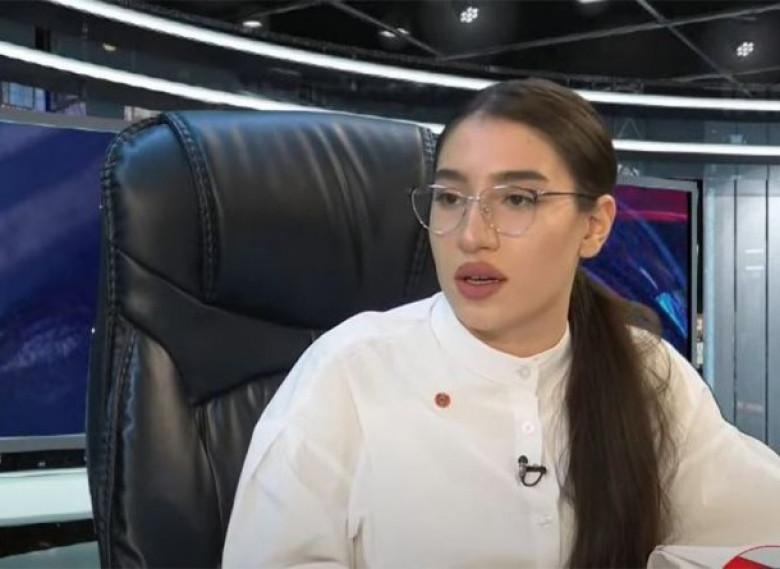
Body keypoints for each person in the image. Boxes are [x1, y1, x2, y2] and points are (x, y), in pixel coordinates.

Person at [222, 79, 780, 568]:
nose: (471, 235)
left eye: (517, 199)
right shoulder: (346, 372)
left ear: (594, 226)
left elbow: (759, 533)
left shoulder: (646, 369)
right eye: (449, 197)